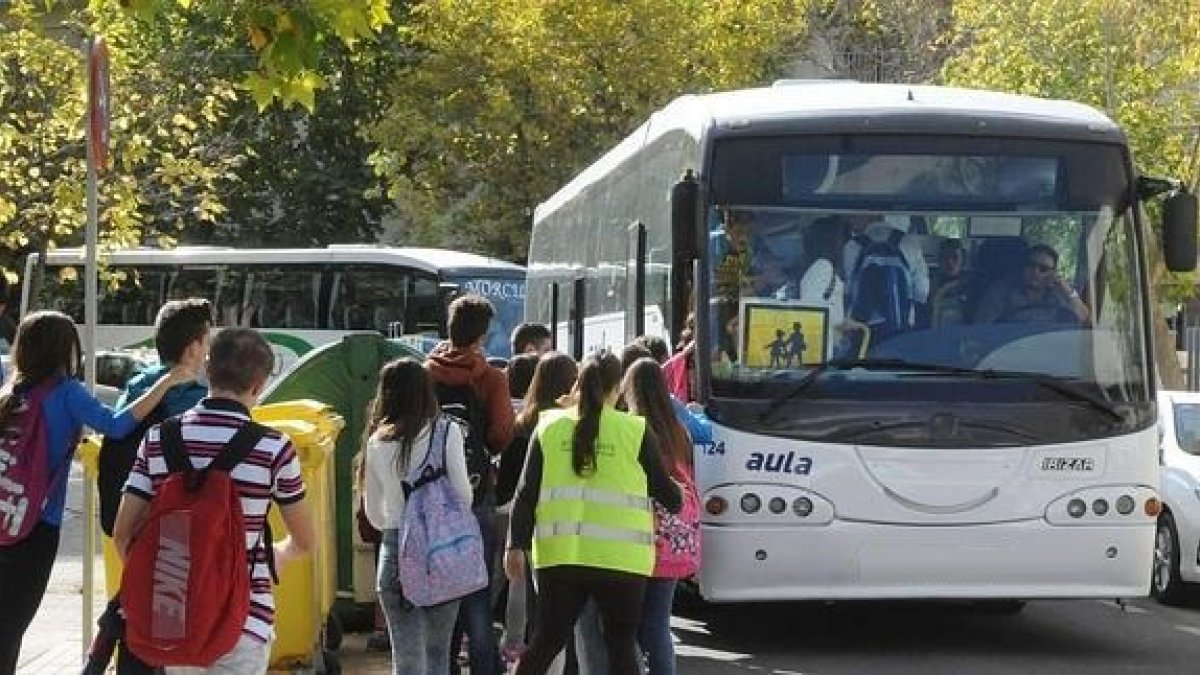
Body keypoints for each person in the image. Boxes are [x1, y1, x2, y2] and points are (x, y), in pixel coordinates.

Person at [0, 311, 197, 674]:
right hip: (36, 526)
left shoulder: (11, 392)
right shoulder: (66, 393)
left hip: (4, 515)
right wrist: (167, 382)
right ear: (66, 350)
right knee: (11, 626)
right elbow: (116, 426)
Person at [113, 328, 313, 675]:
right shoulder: (274, 448)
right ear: (259, 385)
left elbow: (122, 534)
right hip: (244, 619)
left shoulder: (159, 438)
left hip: (175, 619)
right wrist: (278, 555)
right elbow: (306, 541)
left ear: (207, 370)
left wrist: (172, 582)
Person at [505, 351, 681, 675]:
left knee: (545, 643)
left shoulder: (549, 425)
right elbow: (670, 498)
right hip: (622, 559)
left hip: (560, 556)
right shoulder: (635, 430)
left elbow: (525, 493)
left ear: (579, 382)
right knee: (621, 648)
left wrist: (515, 545)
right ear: (618, 386)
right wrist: (678, 490)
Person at [362, 358, 471, 675]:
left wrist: (397, 523)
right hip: (443, 551)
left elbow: (373, 512)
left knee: (406, 657)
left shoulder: (378, 441)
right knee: (438, 653)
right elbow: (463, 496)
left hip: (396, 549)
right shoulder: (447, 431)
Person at [426, 294, 515, 675]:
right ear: (481, 335)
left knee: (439, 591)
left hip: (430, 496)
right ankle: (483, 667)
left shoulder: (425, 373)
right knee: (477, 590)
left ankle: (443, 665)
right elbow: (502, 433)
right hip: (476, 494)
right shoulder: (490, 377)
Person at [99, 299, 212, 536]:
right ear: (193, 349)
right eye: (206, 343)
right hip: (174, 527)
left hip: (128, 520)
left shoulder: (136, 386)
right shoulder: (197, 398)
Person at [622, 358, 700, 675]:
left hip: (641, 537)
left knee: (630, 624)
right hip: (675, 540)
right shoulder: (678, 430)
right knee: (658, 623)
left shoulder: (632, 429)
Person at [502, 352, 579, 668]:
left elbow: (512, 486)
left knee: (541, 620)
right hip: (573, 531)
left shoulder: (522, 426)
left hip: (535, 533)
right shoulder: (574, 427)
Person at [974, 244, 1090, 325]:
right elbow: (982, 329)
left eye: (1043, 269)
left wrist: (1066, 288)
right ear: (1022, 267)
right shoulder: (1001, 291)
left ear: (1052, 273)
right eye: (1030, 265)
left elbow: (1085, 320)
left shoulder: (1059, 294)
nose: (1035, 272)